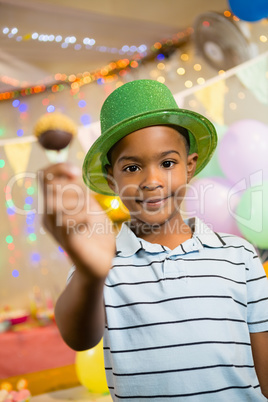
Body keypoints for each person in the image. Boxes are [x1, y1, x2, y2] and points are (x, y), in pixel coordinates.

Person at [42, 80, 268, 401]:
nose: (151, 181)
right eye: (132, 167)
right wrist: (92, 275)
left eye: (167, 163)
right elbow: (78, 338)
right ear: (111, 179)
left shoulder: (239, 255)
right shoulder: (101, 264)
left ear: (189, 166)